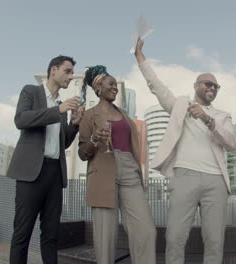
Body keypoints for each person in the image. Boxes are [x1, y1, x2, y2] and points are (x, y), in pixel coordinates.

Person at [134, 38, 236, 264]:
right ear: (196, 86)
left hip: (216, 180)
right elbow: (156, 85)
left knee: (214, 240)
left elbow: (231, 143)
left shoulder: (222, 116)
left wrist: (208, 119)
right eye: (207, 83)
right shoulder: (180, 104)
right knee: (175, 237)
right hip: (184, 177)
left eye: (215, 86)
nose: (211, 88)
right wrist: (140, 58)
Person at [7, 55, 84, 264]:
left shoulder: (62, 106)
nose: (70, 77)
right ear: (53, 70)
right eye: (67, 71)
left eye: (71, 73)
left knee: (51, 235)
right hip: (31, 173)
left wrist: (74, 125)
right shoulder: (31, 91)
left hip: (54, 176)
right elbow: (21, 120)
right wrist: (57, 110)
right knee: (21, 234)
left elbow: (63, 143)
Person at [77, 65, 156, 264]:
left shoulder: (125, 116)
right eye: (110, 84)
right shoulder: (89, 116)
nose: (115, 88)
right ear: (98, 88)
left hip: (129, 170)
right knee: (105, 237)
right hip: (103, 172)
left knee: (146, 230)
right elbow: (82, 153)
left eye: (115, 85)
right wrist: (94, 139)